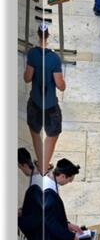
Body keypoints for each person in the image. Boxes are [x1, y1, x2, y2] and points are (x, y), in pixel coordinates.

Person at [23, 24, 65, 174]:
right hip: (50, 105)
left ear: (38, 34)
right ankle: (44, 166)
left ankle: (40, 163)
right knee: (52, 135)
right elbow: (60, 85)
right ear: (47, 36)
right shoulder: (54, 58)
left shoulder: (32, 54)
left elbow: (27, 78)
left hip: (35, 102)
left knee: (35, 133)